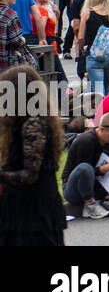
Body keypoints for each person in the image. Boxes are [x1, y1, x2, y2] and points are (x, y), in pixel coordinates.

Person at [0, 65, 66, 246]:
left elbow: (30, 174)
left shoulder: (33, 125)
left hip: (34, 209)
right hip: (23, 207)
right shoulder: (21, 122)